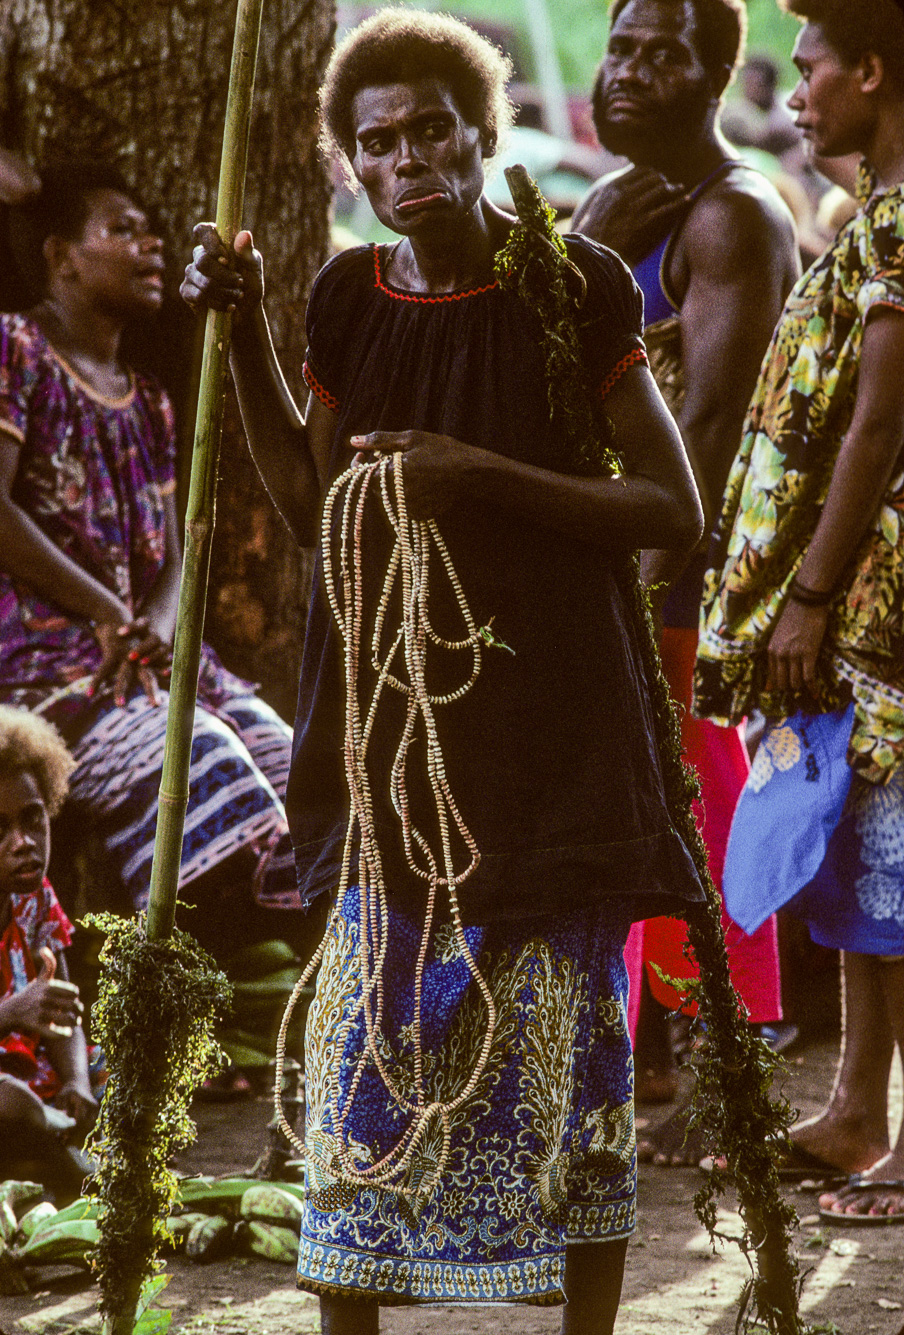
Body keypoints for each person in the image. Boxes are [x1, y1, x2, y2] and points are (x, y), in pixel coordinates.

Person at [181, 10, 707, 1330]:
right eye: (379, 142)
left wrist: (479, 478)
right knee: (371, 1050)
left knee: (563, 1058)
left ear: (482, 135)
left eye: (431, 130)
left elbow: (667, 506)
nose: (409, 158)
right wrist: (241, 335)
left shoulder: (568, 284)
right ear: (353, 167)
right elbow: (314, 504)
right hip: (388, 738)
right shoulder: (344, 299)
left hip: (553, 735)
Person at [571, 0, 800, 1161]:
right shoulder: (621, 212)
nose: (628, 75)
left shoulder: (732, 218)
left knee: (702, 815)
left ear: (717, 76)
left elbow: (706, 426)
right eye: (619, 49)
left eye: (663, 55)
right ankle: (636, 1067)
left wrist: (643, 592)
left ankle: (730, 1077)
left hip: (682, 581)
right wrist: (588, 237)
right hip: (618, 563)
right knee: (634, 814)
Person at [695, 0, 904, 1222]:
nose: (796, 91)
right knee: (870, 857)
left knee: (897, 858)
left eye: (814, 68)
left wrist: (810, 598)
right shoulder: (873, 215)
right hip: (854, 599)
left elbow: (880, 419)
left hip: (870, 596)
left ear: (873, 71)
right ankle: (856, 1108)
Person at [0, 163, 300, 954]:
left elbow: (179, 542)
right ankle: (179, 1023)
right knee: (209, 772)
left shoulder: (154, 398)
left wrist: (157, 626)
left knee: (297, 767)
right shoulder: (17, 349)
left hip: (151, 656)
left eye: (153, 230)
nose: (152, 244)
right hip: (57, 672)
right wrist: (106, 611)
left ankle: (266, 1012)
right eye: (122, 229)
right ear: (62, 255)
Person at [0, 704, 102, 1193]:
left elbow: (62, 1012)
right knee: (12, 1107)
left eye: (32, 818)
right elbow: (28, 1008)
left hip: (27, 1071)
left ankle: (47, 1146)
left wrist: (76, 1081)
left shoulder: (36, 897)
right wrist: (13, 1011)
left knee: (118, 1078)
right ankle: (57, 1163)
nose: (22, 842)